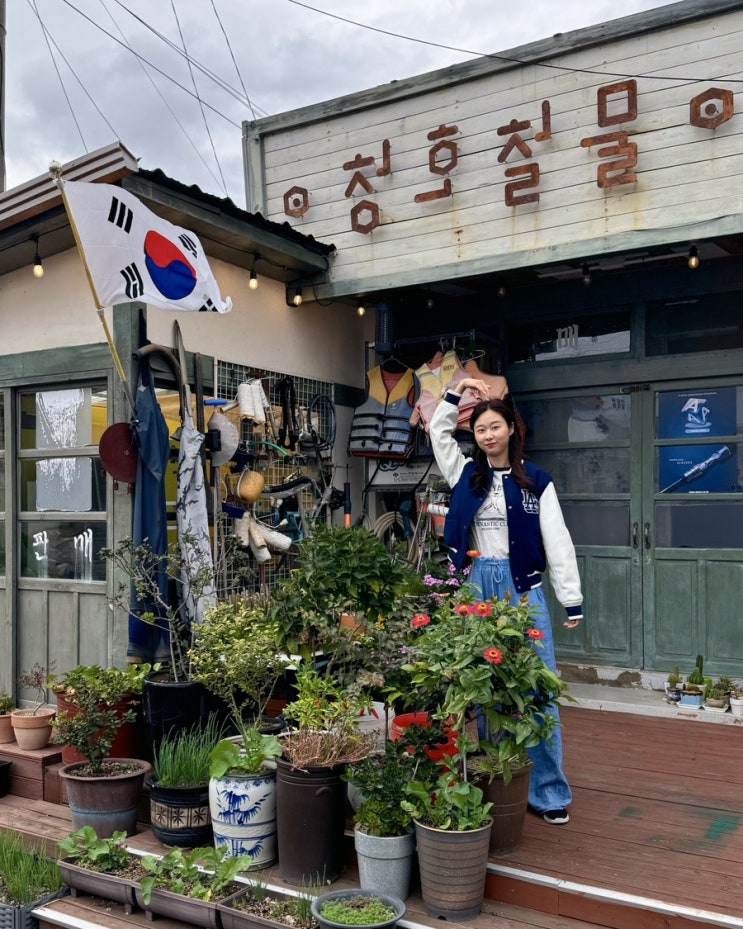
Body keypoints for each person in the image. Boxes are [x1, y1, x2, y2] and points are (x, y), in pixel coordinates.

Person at [429, 376, 583, 825]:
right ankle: (498, 780)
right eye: (480, 429)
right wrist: (457, 390)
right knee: (486, 685)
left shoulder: (536, 480)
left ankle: (548, 792)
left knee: (538, 687)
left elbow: (558, 539)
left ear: (511, 429)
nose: (487, 435)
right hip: (478, 586)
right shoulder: (466, 475)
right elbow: (438, 432)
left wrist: (570, 597)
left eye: (495, 426)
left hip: (523, 588)